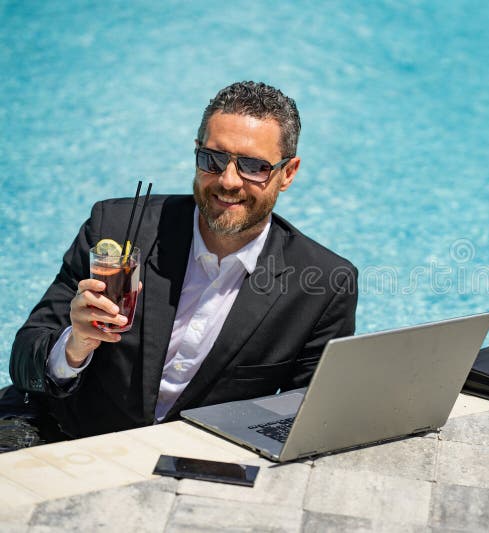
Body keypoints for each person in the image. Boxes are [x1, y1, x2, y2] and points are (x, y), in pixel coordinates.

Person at [7, 81, 358, 440]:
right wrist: (74, 345)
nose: (228, 180)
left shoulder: (325, 286)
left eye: (253, 166)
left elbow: (311, 421)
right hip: (64, 433)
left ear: (288, 173)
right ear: (196, 151)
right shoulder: (114, 229)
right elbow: (23, 362)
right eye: (213, 159)